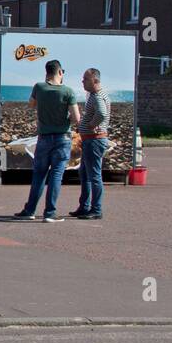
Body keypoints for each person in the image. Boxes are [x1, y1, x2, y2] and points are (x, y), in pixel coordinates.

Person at [14, 60, 80, 223]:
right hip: (62, 137)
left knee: (39, 174)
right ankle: (50, 212)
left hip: (44, 137)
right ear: (60, 72)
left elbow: (31, 105)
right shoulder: (68, 91)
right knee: (56, 174)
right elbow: (76, 118)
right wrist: (66, 121)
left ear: (47, 72)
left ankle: (30, 210)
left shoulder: (39, 87)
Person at [73, 67, 109, 220]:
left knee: (93, 175)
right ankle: (85, 206)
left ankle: (96, 209)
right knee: (85, 173)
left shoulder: (97, 95)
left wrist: (91, 125)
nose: (83, 82)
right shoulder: (97, 94)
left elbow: (101, 113)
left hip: (94, 140)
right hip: (91, 139)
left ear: (95, 80)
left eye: (85, 79)